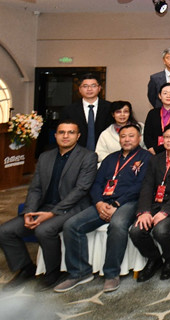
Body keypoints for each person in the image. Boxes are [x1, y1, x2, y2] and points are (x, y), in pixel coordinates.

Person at [0, 121, 97, 290]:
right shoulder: (45, 157)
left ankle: (53, 273)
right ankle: (26, 268)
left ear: (78, 136)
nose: (65, 136)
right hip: (45, 207)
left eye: (71, 132)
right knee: (5, 231)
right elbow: (35, 188)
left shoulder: (88, 157)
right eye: (62, 132)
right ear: (55, 135)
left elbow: (81, 190)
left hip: (73, 208)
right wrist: (29, 212)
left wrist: (52, 214)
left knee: (44, 230)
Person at [56, 124, 151, 293]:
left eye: (131, 136)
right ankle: (79, 272)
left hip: (129, 202)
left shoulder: (147, 158)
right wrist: (99, 203)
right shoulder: (110, 158)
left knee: (117, 224)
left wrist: (117, 204)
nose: (127, 139)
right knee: (71, 225)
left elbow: (142, 185)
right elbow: (97, 183)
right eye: (123, 136)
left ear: (139, 138)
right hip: (104, 202)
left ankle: (111, 273)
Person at [129, 123, 170, 283]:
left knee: (161, 230)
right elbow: (147, 185)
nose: (169, 140)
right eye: (166, 137)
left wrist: (165, 212)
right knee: (136, 231)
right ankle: (154, 259)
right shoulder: (155, 159)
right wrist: (144, 211)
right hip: (156, 203)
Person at [60, 73, 112, 150]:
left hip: (106, 151)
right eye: (85, 86)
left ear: (99, 88)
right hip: (77, 152)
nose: (89, 89)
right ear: (79, 89)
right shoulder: (69, 110)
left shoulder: (110, 108)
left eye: (93, 86)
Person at [143, 83, 170, 155]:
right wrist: (151, 149)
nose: (168, 96)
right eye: (165, 93)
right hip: (154, 153)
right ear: (160, 95)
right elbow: (147, 135)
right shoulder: (152, 113)